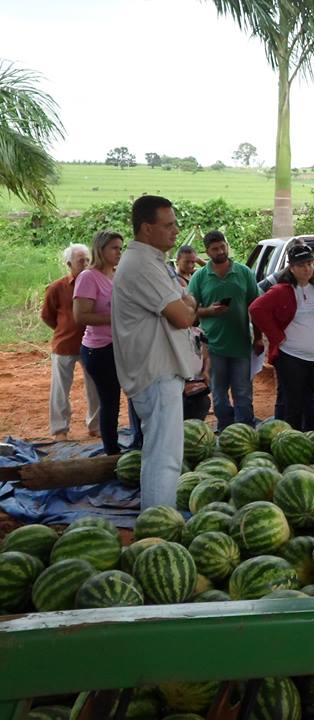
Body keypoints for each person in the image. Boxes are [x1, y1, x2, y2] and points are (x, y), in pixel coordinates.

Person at [113, 196, 200, 509]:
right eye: (168, 225)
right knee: (164, 457)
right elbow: (184, 315)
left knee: (162, 453)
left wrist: (187, 302)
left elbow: (185, 302)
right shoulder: (141, 265)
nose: (176, 230)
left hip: (159, 370)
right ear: (147, 229)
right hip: (156, 372)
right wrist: (189, 304)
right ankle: (159, 525)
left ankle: (157, 520)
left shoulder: (151, 262)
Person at [249, 245, 314, 430]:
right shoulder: (281, 290)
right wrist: (277, 336)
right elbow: (256, 309)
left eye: (310, 263)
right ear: (291, 267)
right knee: (296, 406)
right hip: (291, 358)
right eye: (301, 265)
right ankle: (296, 441)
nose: (307, 268)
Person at [187, 230, 262, 430]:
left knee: (243, 393)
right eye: (215, 249)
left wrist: (259, 338)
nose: (220, 251)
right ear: (207, 252)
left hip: (241, 344)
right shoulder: (200, 277)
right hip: (213, 347)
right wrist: (209, 311)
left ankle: (245, 432)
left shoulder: (244, 272)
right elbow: (189, 310)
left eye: (222, 246)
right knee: (219, 395)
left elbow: (256, 307)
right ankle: (225, 431)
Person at [73, 231, 129, 455]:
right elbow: (81, 316)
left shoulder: (117, 275)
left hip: (120, 347)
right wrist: (117, 319)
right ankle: (112, 452)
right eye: (114, 248)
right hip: (99, 349)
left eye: (120, 248)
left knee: (133, 396)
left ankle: (134, 442)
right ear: (100, 249)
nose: (119, 252)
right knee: (110, 402)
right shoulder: (89, 277)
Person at [42, 243, 100, 441]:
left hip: (91, 344)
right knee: (60, 389)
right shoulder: (57, 287)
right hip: (64, 346)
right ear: (69, 264)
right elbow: (47, 315)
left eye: (87, 260)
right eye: (80, 261)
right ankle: (60, 430)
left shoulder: (95, 282)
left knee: (95, 386)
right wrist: (63, 330)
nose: (85, 264)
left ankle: (96, 425)